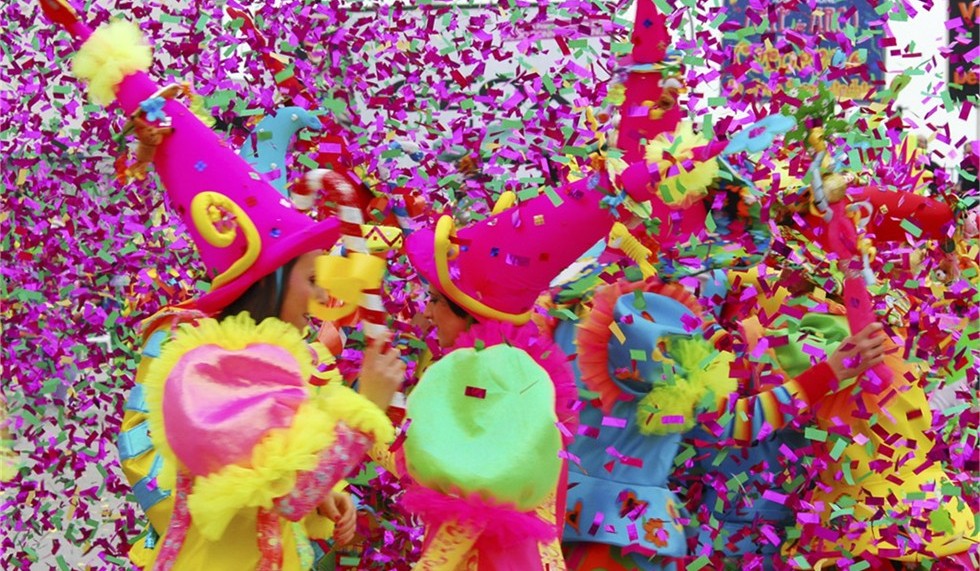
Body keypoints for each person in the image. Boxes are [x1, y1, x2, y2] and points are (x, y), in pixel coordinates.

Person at [40, 4, 406, 570]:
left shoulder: (282, 359)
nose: (319, 296)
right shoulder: (202, 366)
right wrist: (365, 408)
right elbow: (280, 489)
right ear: (270, 278)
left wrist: (327, 501)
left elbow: (296, 479)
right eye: (310, 278)